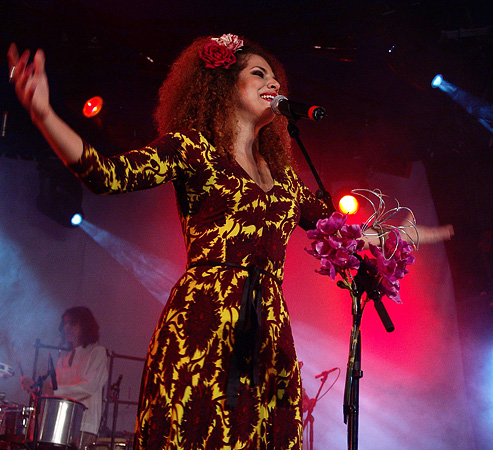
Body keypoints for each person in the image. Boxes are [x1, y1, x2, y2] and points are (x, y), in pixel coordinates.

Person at [8, 34, 452, 449]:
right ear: (223, 86)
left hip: (268, 329)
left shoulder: (287, 183)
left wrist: (407, 232)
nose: (272, 81)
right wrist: (43, 113)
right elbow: (105, 175)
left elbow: (345, 231)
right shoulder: (191, 148)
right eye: (258, 73)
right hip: (204, 320)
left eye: (274, 75)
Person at [21, 306, 108, 450]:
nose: (67, 327)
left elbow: (89, 387)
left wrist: (51, 391)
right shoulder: (63, 359)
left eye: (72, 323)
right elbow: (53, 392)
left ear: (85, 326)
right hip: (59, 424)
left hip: (84, 424)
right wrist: (36, 389)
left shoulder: (97, 352)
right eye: (65, 323)